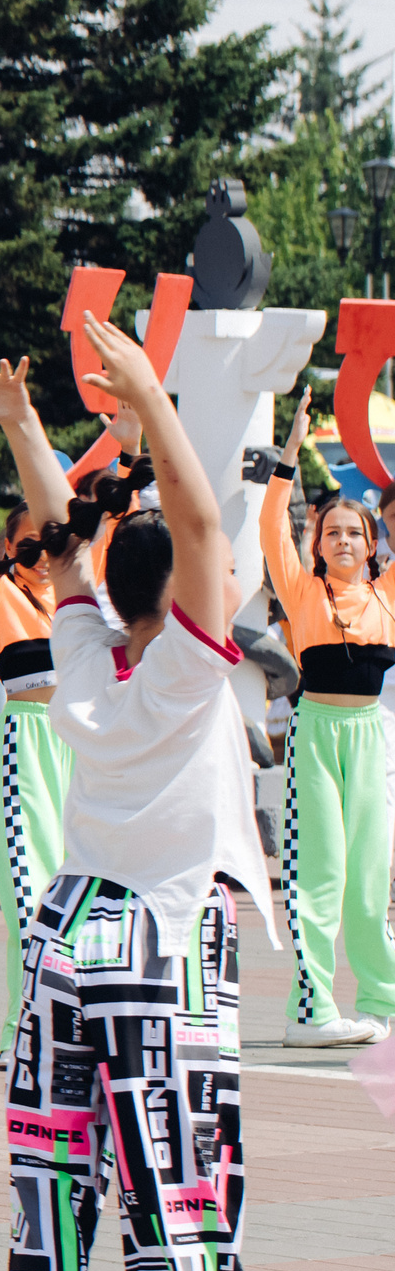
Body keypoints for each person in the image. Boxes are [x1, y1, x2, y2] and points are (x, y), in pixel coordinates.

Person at [0, 313, 271, 1271]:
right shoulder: (195, 668)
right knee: (172, 1180)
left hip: (64, 934)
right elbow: (195, 524)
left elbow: (62, 549)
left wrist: (23, 431)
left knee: (49, 1190)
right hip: (160, 937)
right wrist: (152, 404)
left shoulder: (88, 652)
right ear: (195, 597)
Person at [0, 366, 85, 1051]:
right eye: (25, 542)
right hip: (24, 747)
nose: (39, 552)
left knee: (82, 897)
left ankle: (65, 1022)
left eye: (48, 540)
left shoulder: (82, 595)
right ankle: (24, 1025)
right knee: (29, 898)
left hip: (84, 743)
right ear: (10, 546)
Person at [258, 388, 394, 1047]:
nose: (343, 540)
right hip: (315, 735)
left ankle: (382, 1001)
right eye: (332, 531)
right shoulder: (302, 588)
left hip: (372, 735)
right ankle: (308, 1012)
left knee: (371, 874)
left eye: (355, 532)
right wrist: (291, 446)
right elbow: (269, 524)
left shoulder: (386, 595)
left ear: (373, 544)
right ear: (317, 542)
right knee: (320, 874)